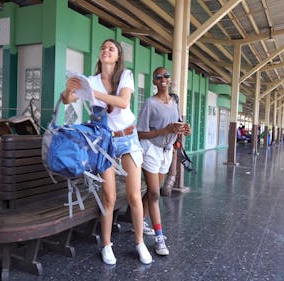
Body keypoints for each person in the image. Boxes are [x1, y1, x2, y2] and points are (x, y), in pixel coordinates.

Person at [62, 39, 152, 265]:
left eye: (111, 49)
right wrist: (70, 88)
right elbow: (67, 100)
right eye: (103, 48)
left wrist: (93, 93)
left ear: (118, 56)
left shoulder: (125, 76)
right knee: (109, 197)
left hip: (128, 138)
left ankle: (140, 243)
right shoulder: (90, 81)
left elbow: (123, 102)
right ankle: (106, 245)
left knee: (134, 195)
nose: (106, 50)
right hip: (104, 141)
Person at [136, 67, 191, 256]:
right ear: (154, 82)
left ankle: (139, 221)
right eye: (158, 77)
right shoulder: (150, 103)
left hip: (167, 152)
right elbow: (140, 133)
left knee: (152, 194)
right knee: (154, 194)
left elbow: (176, 125)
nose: (163, 79)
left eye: (166, 76)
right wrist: (164, 131)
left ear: (170, 79)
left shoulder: (174, 101)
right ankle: (159, 238)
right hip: (151, 149)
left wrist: (183, 130)